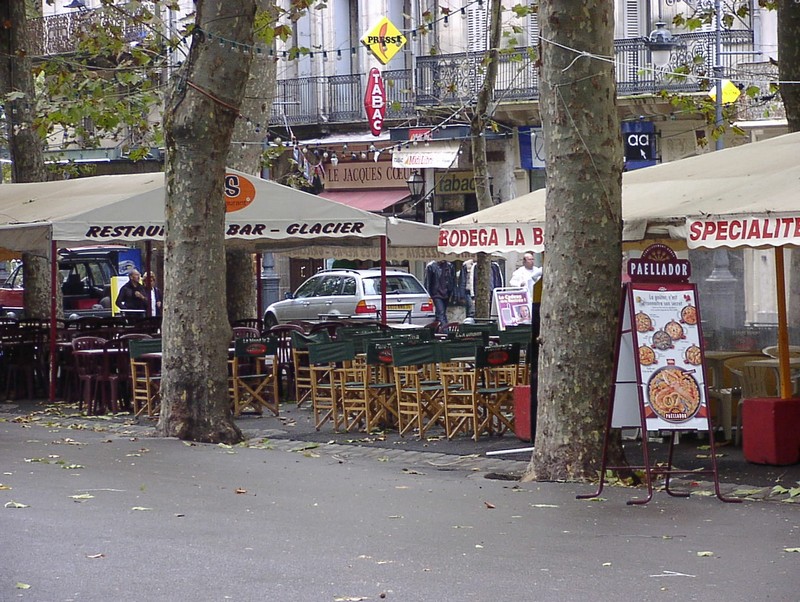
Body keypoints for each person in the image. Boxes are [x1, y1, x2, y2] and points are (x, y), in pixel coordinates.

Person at [424, 260, 455, 329]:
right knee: (441, 313)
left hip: (446, 294)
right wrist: (428, 296)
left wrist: (452, 293)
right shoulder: (431, 266)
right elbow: (428, 282)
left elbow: (452, 280)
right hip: (436, 294)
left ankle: (435, 330)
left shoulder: (450, 266)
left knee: (440, 314)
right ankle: (446, 331)